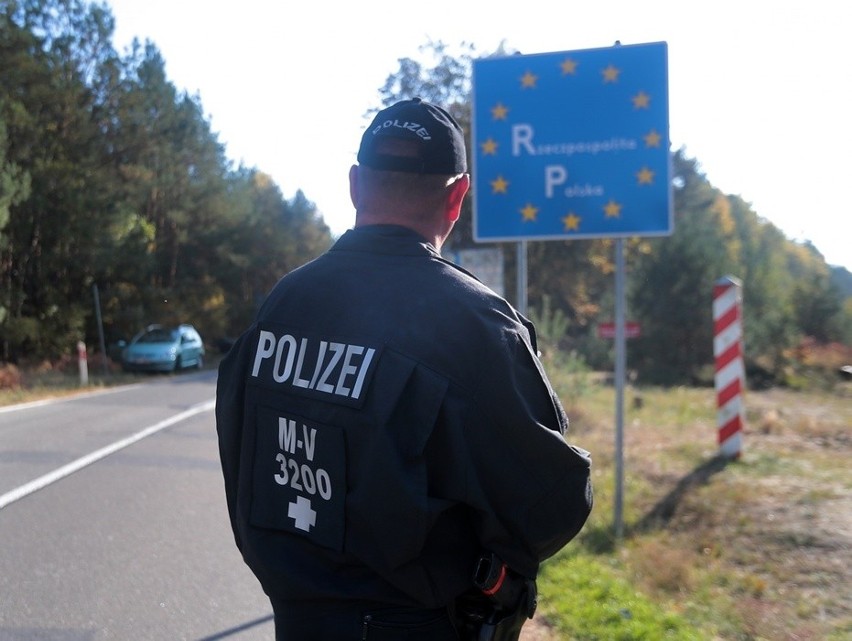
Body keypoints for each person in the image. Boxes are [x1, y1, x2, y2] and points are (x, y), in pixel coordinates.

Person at [215, 97, 593, 640]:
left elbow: (241, 455)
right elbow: (551, 503)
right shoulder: (475, 323)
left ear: (354, 186)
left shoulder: (283, 302)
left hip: (298, 620)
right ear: (458, 196)